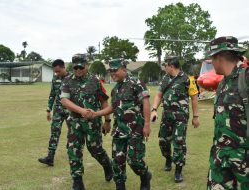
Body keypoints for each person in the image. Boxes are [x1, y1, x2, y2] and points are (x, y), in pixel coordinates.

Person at [89, 58, 152, 190]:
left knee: (134, 160)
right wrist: (96, 114)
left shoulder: (137, 83)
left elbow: (146, 103)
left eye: (115, 70)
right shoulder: (115, 89)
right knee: (117, 161)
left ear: (123, 69)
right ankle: (120, 184)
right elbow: (113, 107)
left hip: (135, 129)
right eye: (110, 71)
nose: (112, 73)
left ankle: (145, 175)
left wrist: (147, 124)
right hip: (119, 130)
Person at [60, 53, 113, 190]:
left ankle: (107, 165)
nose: (78, 70)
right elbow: (64, 100)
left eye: (81, 67)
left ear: (87, 66)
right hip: (74, 122)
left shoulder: (95, 80)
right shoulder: (67, 80)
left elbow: (104, 101)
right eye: (75, 67)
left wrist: (107, 121)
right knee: (74, 150)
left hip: (92, 123)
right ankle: (77, 181)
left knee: (95, 149)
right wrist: (81, 110)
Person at [206, 36, 249, 189]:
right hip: (220, 158)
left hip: (244, 161)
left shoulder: (245, 78)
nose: (211, 62)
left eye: (212, 58)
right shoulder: (223, 83)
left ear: (219, 57)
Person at [150, 56, 200, 183]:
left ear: (171, 66)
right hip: (166, 116)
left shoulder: (188, 79)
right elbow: (159, 94)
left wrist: (195, 117)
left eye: (165, 65)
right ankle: (168, 158)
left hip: (181, 117)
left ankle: (178, 170)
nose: (164, 68)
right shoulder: (165, 79)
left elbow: (194, 98)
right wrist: (154, 109)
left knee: (179, 142)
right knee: (163, 140)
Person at [38, 59, 70, 166]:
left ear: (64, 67)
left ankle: (72, 154)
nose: (57, 73)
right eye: (55, 72)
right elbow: (52, 94)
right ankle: (50, 157)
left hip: (71, 110)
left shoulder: (72, 78)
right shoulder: (55, 78)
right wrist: (48, 110)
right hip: (58, 110)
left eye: (58, 71)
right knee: (54, 132)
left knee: (73, 132)